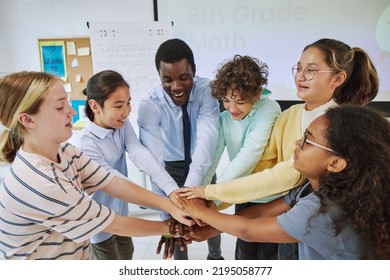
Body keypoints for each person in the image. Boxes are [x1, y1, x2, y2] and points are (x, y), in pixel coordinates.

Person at [177, 38, 379, 259]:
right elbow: (266, 171)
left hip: (304, 224)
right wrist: (208, 208)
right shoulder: (290, 115)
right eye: (299, 67)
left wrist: (208, 198)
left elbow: (284, 176)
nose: (300, 76)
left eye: (311, 70)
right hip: (285, 212)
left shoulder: (338, 127)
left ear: (338, 78)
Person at [0, 71, 193, 260]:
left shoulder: (66, 152)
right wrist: (172, 227)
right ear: (27, 119)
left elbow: (112, 182)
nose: (72, 111)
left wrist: (170, 201)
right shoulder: (40, 181)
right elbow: (114, 224)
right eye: (60, 107)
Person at [180, 105, 390, 260]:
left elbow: (248, 231)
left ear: (335, 163)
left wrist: (198, 210)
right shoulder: (312, 189)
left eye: (308, 140)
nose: (298, 142)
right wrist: (212, 228)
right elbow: (262, 212)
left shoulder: (324, 212)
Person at [81, 70, 185, 260]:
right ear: (95, 106)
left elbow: (138, 152)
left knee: (127, 255)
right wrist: (165, 204)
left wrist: (171, 189)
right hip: (100, 221)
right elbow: (113, 180)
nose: (126, 111)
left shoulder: (121, 125)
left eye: (128, 103)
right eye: (118, 105)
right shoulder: (87, 144)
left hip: (122, 213)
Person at [137, 38, 223, 260]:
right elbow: (154, 161)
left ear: (194, 70)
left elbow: (207, 139)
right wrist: (171, 205)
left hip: (202, 164)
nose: (176, 87)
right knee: (174, 225)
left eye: (183, 77)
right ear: (159, 76)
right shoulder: (150, 103)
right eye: (167, 80)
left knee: (208, 214)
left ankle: (215, 258)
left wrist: (190, 196)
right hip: (169, 168)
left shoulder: (207, 91)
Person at [200, 54, 281, 260]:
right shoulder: (223, 119)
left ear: (256, 94)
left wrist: (213, 193)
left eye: (240, 101)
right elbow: (212, 159)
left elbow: (252, 151)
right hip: (243, 194)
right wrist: (201, 195)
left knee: (268, 257)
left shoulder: (269, 108)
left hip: (271, 198)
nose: (232, 108)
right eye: (226, 101)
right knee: (244, 255)